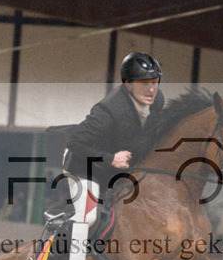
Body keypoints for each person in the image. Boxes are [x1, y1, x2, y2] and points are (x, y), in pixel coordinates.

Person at [63, 52, 165, 224]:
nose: (151, 90)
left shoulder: (157, 101)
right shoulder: (109, 110)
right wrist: (111, 159)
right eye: (144, 83)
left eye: (155, 82)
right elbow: (74, 143)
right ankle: (57, 247)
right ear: (128, 84)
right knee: (87, 217)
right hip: (84, 166)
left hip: (115, 172)